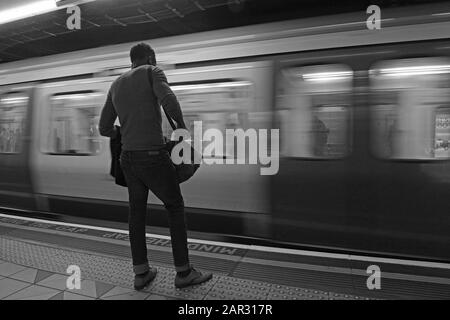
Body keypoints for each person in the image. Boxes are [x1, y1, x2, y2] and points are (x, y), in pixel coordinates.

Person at [99, 43, 212, 291]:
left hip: (128, 159)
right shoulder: (152, 71)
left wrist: (125, 131)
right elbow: (169, 101)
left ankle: (141, 273)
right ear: (150, 57)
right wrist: (181, 131)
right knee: (174, 206)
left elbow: (104, 128)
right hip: (152, 157)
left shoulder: (115, 84)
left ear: (131, 60)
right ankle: (183, 272)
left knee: (136, 213)